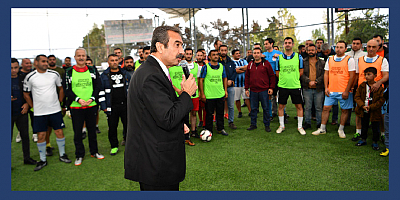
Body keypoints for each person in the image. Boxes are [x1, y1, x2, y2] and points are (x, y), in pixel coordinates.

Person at [124, 25, 197, 191]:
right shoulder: (151, 75)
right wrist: (186, 94)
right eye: (177, 45)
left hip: (155, 159)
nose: (182, 51)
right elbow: (167, 118)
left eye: (182, 46)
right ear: (159, 46)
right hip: (156, 164)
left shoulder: (153, 70)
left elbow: (154, 112)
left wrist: (178, 108)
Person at [23, 55, 72, 171]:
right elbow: (26, 94)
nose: (46, 63)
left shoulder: (54, 74)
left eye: (46, 61)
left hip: (55, 110)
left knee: (59, 132)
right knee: (41, 135)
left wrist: (59, 102)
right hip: (39, 112)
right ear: (36, 63)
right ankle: (42, 159)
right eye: (43, 61)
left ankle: (62, 155)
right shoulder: (30, 77)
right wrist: (33, 106)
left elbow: (61, 89)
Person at [64, 48, 104, 166]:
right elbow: (67, 89)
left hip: (91, 105)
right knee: (78, 132)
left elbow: (98, 85)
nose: (81, 57)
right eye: (78, 55)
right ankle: (79, 155)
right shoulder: (69, 72)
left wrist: (92, 98)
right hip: (76, 107)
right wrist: (78, 100)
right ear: (75, 57)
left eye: (83, 55)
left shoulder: (92, 69)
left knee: (92, 130)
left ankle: (94, 152)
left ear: (86, 57)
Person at [312, 41, 355, 138]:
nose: (339, 49)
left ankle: (341, 129)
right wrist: (326, 87)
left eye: (341, 47)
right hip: (331, 90)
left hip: (344, 90)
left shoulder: (350, 60)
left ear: (345, 49)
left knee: (344, 110)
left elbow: (352, 76)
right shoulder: (330, 59)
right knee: (326, 108)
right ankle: (322, 128)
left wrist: (347, 90)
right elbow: (326, 73)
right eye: (337, 47)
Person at [352, 39, 389, 142]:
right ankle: (358, 132)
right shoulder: (360, 59)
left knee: (379, 113)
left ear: (378, 48)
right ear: (365, 47)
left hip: (377, 91)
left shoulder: (382, 60)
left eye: (373, 47)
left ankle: (382, 133)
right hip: (362, 90)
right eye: (369, 46)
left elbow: (386, 75)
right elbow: (356, 75)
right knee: (359, 111)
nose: (371, 49)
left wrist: (378, 83)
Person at [99, 54, 131, 155]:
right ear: (108, 62)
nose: (114, 62)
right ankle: (114, 146)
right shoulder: (104, 75)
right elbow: (101, 91)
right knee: (112, 127)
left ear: (119, 61)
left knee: (128, 126)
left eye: (116, 60)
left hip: (125, 105)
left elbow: (131, 89)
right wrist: (104, 106)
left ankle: (129, 143)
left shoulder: (125, 74)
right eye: (112, 60)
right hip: (111, 106)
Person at [169, 47, 201, 145]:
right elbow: (168, 80)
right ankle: (175, 138)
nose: (180, 58)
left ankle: (187, 137)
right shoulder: (170, 67)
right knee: (175, 117)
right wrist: (175, 90)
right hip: (174, 95)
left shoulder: (184, 67)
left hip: (185, 95)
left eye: (181, 57)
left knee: (185, 116)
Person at [275, 37, 306, 135]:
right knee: (281, 106)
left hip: (295, 85)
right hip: (283, 86)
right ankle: (281, 126)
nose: (287, 44)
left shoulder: (298, 57)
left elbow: (301, 71)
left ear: (293, 44)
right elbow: (277, 72)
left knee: (299, 106)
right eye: (285, 43)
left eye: (289, 43)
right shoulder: (279, 58)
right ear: (283, 45)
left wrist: (293, 78)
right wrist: (285, 78)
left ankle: (300, 127)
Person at [11, 58, 37, 165]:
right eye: (11, 68)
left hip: (22, 113)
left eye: (16, 68)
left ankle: (27, 158)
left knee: (25, 136)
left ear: (19, 67)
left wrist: (27, 104)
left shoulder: (23, 77)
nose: (13, 70)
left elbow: (28, 93)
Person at [354, 67, 385, 150]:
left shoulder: (380, 88)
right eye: (365, 75)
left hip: (374, 111)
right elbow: (357, 97)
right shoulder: (362, 86)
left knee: (375, 127)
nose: (366, 76)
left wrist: (371, 107)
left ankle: (375, 142)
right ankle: (363, 139)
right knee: (364, 125)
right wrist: (362, 106)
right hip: (363, 109)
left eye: (369, 74)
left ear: (375, 75)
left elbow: (381, 100)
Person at [245, 47, 275, 132]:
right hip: (253, 91)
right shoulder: (250, 64)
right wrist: (246, 88)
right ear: (253, 54)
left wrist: (271, 87)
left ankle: (267, 125)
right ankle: (253, 124)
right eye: (254, 53)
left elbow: (272, 76)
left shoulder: (266, 63)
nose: (256, 54)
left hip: (264, 90)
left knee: (265, 108)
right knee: (253, 109)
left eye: (258, 53)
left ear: (261, 54)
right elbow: (247, 77)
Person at [199, 50, 228, 136]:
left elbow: (225, 78)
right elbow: (201, 80)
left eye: (217, 55)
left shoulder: (222, 66)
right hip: (209, 95)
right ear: (210, 57)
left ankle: (220, 128)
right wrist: (202, 93)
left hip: (220, 94)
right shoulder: (206, 67)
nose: (215, 56)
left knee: (220, 113)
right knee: (209, 114)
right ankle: (208, 130)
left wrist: (225, 90)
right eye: (213, 55)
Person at [45, 55, 67, 156]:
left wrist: (62, 100)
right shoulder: (44, 71)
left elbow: (63, 86)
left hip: (59, 100)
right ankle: (48, 145)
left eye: (53, 59)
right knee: (48, 126)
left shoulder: (61, 71)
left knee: (58, 125)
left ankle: (62, 151)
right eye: (50, 60)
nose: (52, 61)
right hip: (47, 102)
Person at [300, 44, 325, 130]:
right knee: (307, 107)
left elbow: (324, 74)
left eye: (312, 50)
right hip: (307, 87)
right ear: (306, 51)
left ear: (316, 51)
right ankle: (307, 123)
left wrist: (317, 81)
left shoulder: (322, 62)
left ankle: (319, 123)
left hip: (319, 88)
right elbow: (301, 74)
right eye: (309, 50)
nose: (311, 52)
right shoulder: (303, 62)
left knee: (318, 107)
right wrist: (308, 81)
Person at [17, 58, 37, 143]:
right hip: (21, 102)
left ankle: (35, 134)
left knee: (34, 118)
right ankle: (20, 133)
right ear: (22, 64)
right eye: (26, 63)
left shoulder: (34, 73)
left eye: (30, 63)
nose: (29, 65)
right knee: (21, 120)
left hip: (33, 100)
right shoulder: (18, 74)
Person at [263, 38, 283, 119]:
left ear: (271, 44)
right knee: (269, 95)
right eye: (264, 44)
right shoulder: (263, 54)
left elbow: (286, 59)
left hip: (277, 76)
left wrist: (280, 57)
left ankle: (282, 114)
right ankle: (270, 114)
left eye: (266, 44)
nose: (265, 45)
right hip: (267, 78)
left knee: (279, 96)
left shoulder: (278, 53)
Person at [219, 44, 237, 129]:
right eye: (222, 50)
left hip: (230, 86)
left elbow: (234, 72)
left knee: (230, 106)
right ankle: (220, 123)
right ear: (219, 51)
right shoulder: (217, 62)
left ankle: (231, 122)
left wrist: (231, 80)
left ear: (227, 51)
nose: (223, 52)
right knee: (219, 106)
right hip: (220, 87)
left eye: (225, 50)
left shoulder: (231, 62)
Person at [232, 49, 250, 118]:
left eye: (239, 53)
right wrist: (242, 69)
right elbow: (235, 71)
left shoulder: (243, 61)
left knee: (247, 98)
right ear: (233, 55)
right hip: (236, 84)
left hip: (245, 83)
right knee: (237, 99)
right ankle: (240, 112)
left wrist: (239, 68)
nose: (238, 54)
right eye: (237, 53)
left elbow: (247, 68)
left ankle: (250, 111)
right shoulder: (232, 62)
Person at [195, 49, 206, 127]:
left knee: (205, 106)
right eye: (198, 55)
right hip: (197, 89)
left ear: (203, 56)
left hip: (206, 89)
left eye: (201, 55)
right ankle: (200, 120)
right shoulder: (194, 65)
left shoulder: (206, 66)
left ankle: (205, 122)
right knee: (199, 107)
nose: (199, 57)